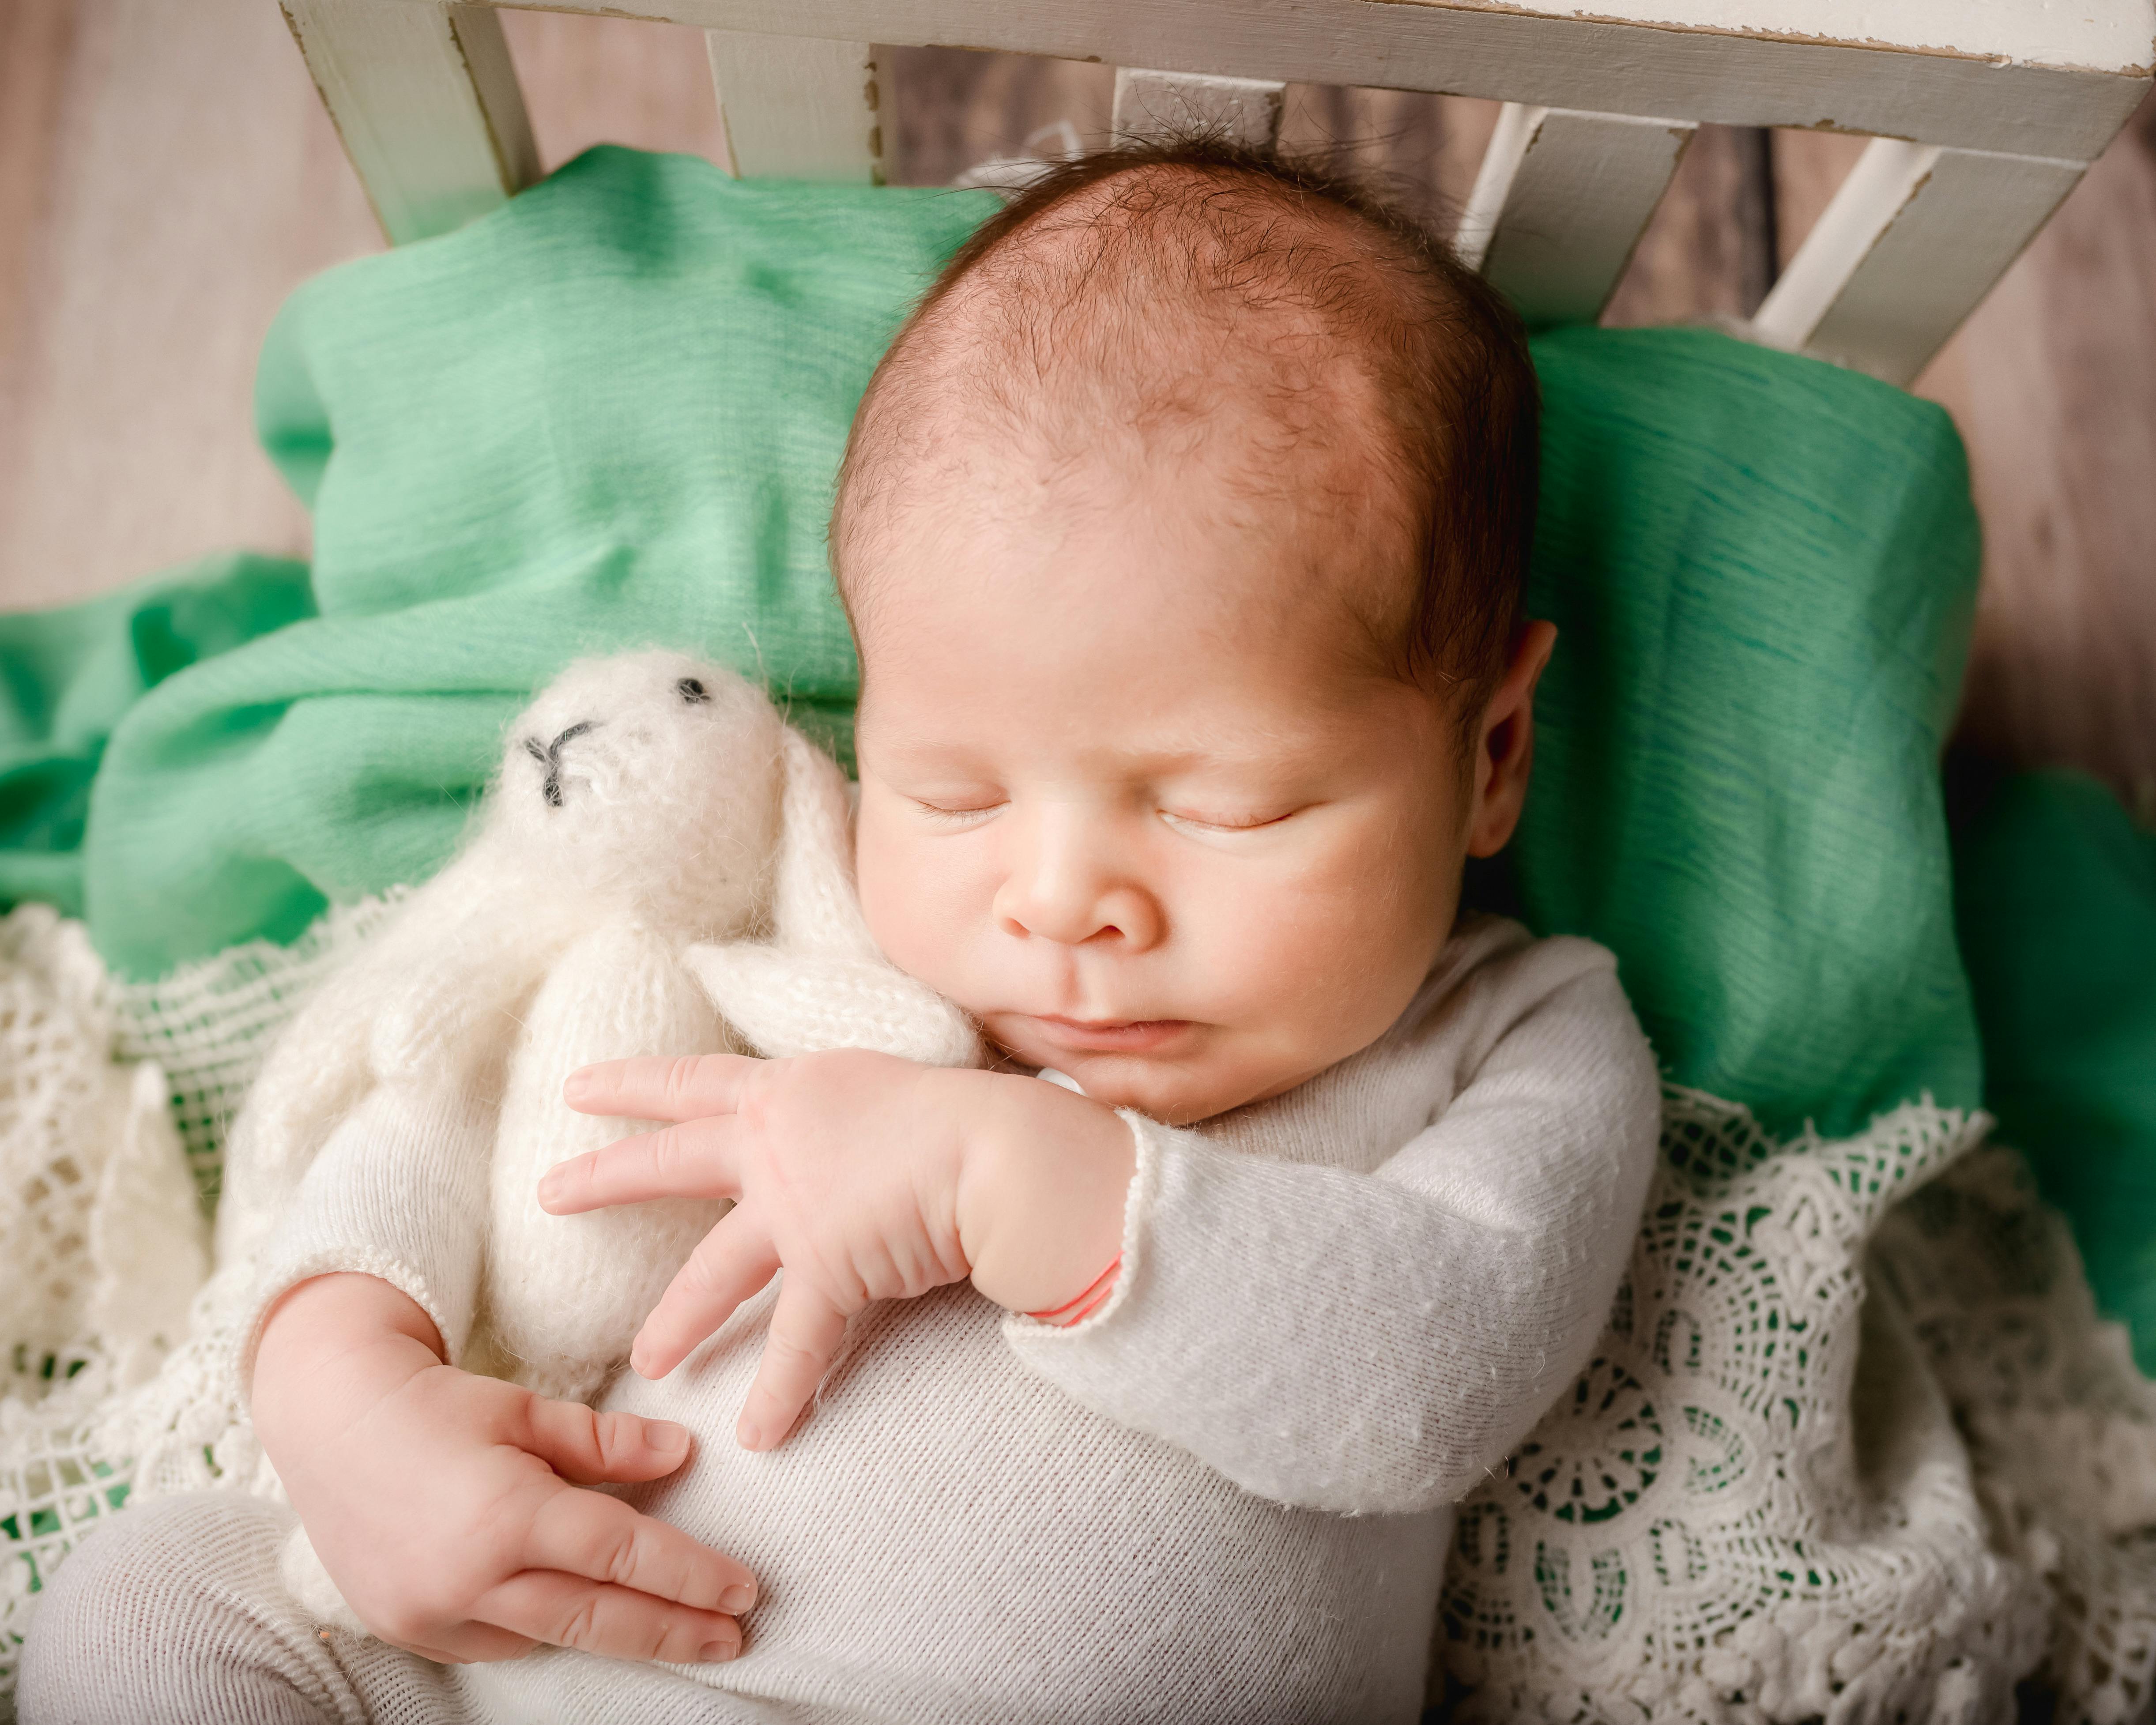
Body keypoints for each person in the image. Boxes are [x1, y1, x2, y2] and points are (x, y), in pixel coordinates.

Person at [22, 141, 1660, 1724]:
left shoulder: (1513, 1033)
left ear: (1490, 751)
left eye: (1224, 806)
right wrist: (345, 1398)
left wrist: (1010, 1179)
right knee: (156, 1596)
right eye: (950, 793)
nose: (1060, 903)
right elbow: (444, 1133)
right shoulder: (808, 929)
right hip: (541, 1675)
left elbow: (1433, 1372)